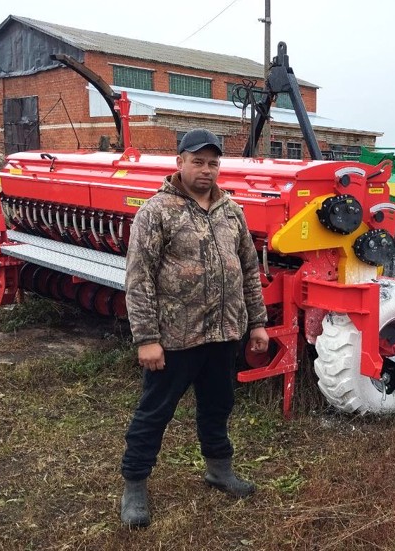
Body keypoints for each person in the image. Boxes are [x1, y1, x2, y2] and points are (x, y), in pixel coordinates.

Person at [119, 128, 269, 528]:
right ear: (179, 162)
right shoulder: (157, 211)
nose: (206, 170)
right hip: (176, 338)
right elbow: (138, 278)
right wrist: (147, 339)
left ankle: (219, 470)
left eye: (213, 163)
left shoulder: (231, 210)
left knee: (218, 406)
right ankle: (134, 485)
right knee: (155, 413)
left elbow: (249, 270)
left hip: (224, 333)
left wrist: (257, 323)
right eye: (198, 161)